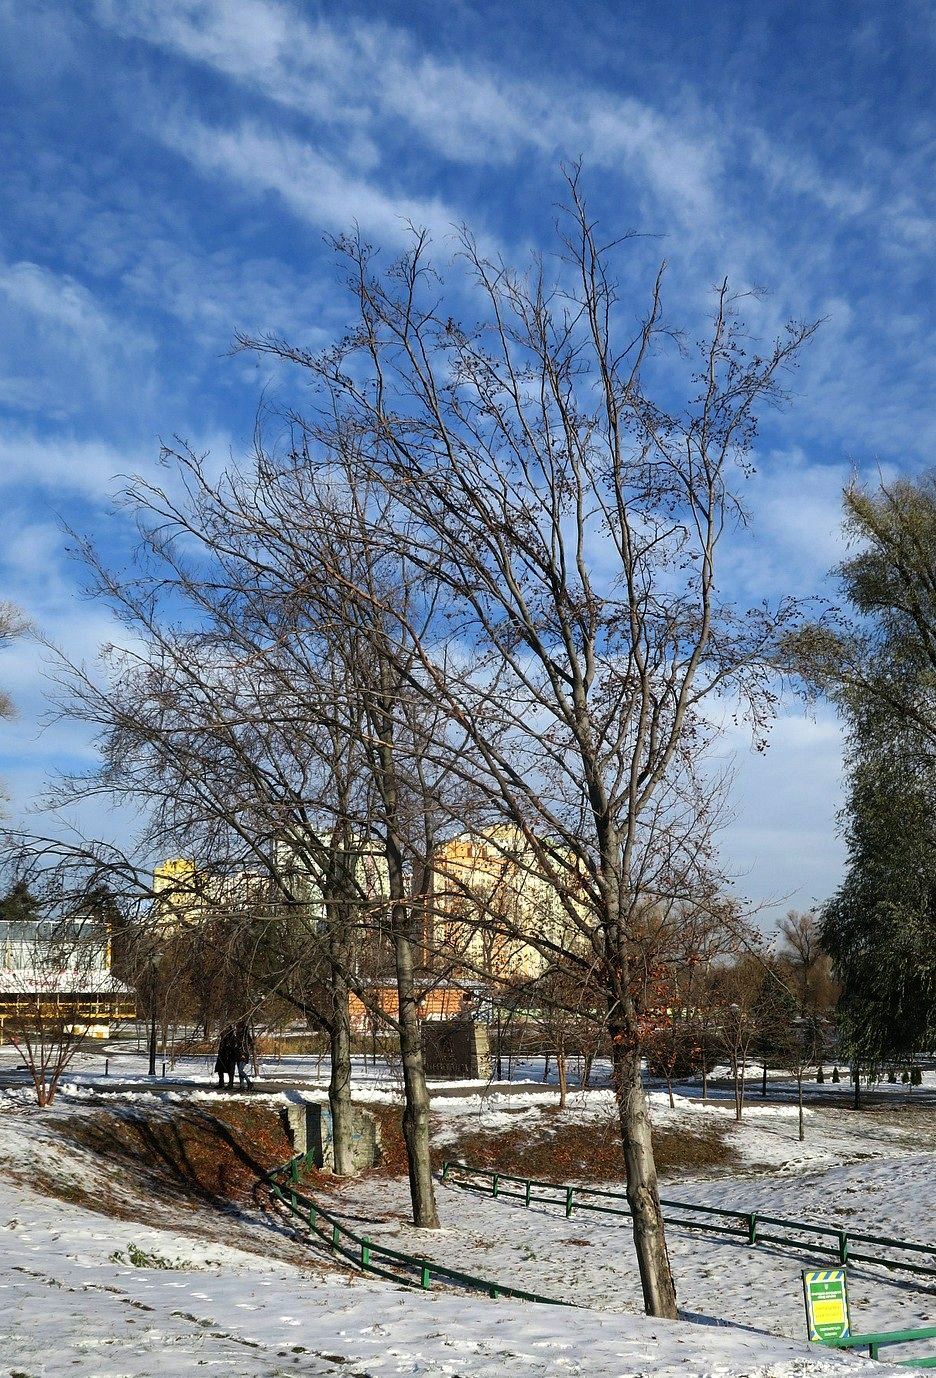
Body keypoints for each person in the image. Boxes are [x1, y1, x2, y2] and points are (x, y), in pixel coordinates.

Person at [234, 1019, 254, 1091]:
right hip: (238, 1054)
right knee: (240, 1071)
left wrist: (246, 1049)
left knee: (240, 1070)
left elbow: (251, 1042)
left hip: (244, 1054)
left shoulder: (245, 1035)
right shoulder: (237, 1035)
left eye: (238, 1027)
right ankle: (241, 1086)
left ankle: (249, 1082)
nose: (236, 1029)